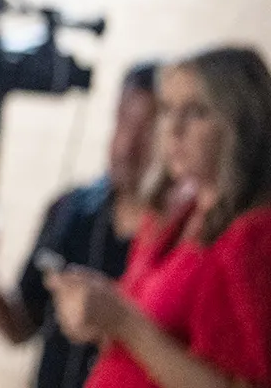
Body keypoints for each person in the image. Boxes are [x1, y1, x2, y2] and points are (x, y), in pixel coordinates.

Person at [45, 47, 271, 388]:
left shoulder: (254, 235)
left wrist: (122, 321)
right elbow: (149, 342)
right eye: (168, 110)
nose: (174, 128)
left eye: (196, 112)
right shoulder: (176, 216)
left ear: (241, 123)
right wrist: (98, 310)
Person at [0, 61, 158, 388]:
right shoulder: (70, 210)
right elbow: (21, 327)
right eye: (122, 121)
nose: (126, 146)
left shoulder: (182, 236)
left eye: (147, 130)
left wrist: (119, 325)